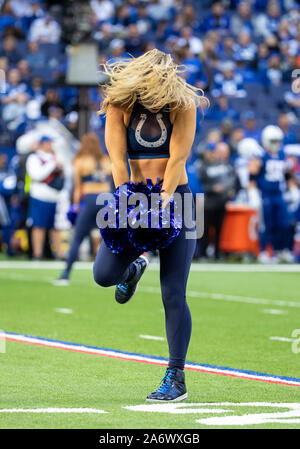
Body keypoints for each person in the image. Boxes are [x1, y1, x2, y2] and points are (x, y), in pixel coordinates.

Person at [93, 49, 209, 402]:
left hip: (179, 199)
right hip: (132, 194)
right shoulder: (120, 105)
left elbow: (178, 159)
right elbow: (116, 159)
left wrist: (162, 203)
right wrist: (128, 200)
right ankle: (133, 268)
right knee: (103, 275)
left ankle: (176, 377)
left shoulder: (182, 104)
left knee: (173, 292)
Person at [54, 133, 111, 285]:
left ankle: (66, 274)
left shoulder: (80, 161)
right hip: (107, 199)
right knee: (112, 239)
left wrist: (76, 206)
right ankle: (119, 276)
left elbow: (77, 188)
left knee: (78, 238)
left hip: (91, 199)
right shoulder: (106, 160)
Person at [26, 136, 64, 260]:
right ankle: (37, 254)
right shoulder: (34, 158)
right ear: (42, 144)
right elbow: (37, 175)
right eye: (48, 143)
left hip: (54, 197)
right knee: (39, 226)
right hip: (39, 196)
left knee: (55, 227)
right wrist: (53, 165)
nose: (50, 145)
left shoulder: (55, 157)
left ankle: (59, 254)